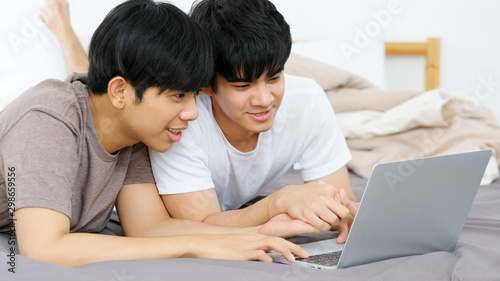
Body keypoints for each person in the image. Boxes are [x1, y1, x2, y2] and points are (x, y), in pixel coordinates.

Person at [0, 0, 309, 267]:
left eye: (192, 96)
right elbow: (44, 248)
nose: (192, 113)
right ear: (120, 91)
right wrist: (196, 245)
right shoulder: (48, 117)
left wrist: (260, 234)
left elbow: (149, 227)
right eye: (178, 97)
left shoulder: (134, 133)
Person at [149, 0, 359, 243]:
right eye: (243, 86)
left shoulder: (306, 99)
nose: (264, 100)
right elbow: (202, 225)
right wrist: (279, 202)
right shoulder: (183, 120)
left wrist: (336, 213)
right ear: (206, 84)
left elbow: (343, 203)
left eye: (274, 78)